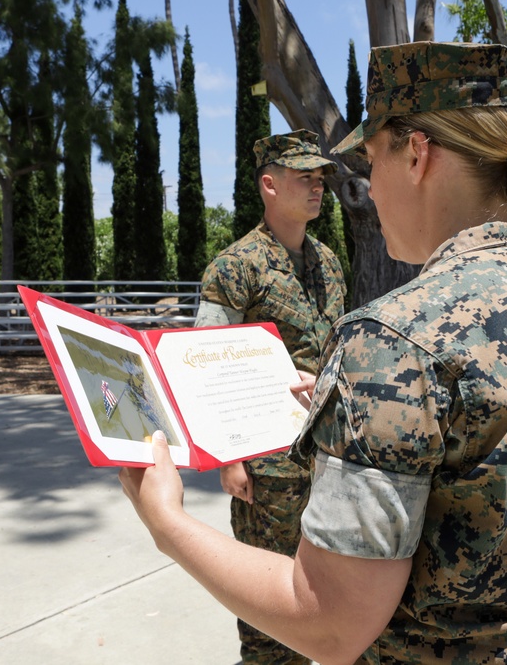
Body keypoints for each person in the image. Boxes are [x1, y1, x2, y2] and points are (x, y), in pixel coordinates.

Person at [121, 41, 507, 664]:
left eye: (370, 160)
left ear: (416, 154)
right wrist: (351, 402)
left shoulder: (395, 339)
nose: (366, 187)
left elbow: (330, 625)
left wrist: (167, 524)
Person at [193, 129, 346, 665]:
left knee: (320, 598)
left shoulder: (326, 263)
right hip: (268, 466)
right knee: (268, 612)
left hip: (327, 459)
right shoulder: (236, 267)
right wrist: (229, 458)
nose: (317, 186)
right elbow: (205, 365)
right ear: (269, 185)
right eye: (304, 177)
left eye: (320, 177)